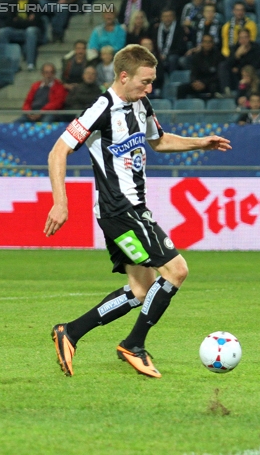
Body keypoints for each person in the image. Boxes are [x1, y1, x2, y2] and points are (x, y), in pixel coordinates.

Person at [45, 44, 231, 379]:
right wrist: (61, 201)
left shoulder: (140, 104)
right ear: (124, 75)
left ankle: (70, 332)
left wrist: (200, 142)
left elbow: (158, 140)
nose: (150, 88)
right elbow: (58, 151)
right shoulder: (100, 109)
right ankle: (134, 344)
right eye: (145, 81)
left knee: (140, 291)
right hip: (121, 209)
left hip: (127, 210)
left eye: (152, 82)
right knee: (176, 271)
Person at [0, 0, 43, 71]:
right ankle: (8, 63)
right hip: (16, 30)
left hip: (32, 30)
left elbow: (36, 22)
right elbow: (9, 21)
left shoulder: (35, 3)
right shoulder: (11, 2)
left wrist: (17, 20)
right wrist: (27, 20)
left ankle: (30, 63)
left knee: (30, 31)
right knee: (2, 32)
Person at [218, 27, 260, 95]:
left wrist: (239, 69)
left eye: (245, 37)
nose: (243, 40)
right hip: (237, 76)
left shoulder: (256, 48)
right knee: (223, 65)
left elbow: (257, 64)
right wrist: (237, 55)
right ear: (238, 39)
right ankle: (226, 90)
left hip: (251, 75)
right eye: (241, 38)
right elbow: (228, 63)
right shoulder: (234, 48)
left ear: (249, 38)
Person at [177, 34, 223, 99]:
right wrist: (194, 82)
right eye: (205, 42)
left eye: (209, 42)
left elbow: (218, 75)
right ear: (201, 43)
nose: (207, 44)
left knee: (214, 87)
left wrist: (204, 83)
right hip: (198, 83)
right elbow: (193, 73)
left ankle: (211, 108)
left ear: (213, 43)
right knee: (181, 88)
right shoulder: (196, 56)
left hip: (210, 83)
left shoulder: (218, 56)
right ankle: (181, 108)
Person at [149, 8, 187, 75]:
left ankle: (171, 79)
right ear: (161, 18)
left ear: (174, 17)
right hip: (158, 54)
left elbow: (181, 48)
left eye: (170, 16)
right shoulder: (156, 29)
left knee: (172, 59)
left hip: (173, 55)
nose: (167, 18)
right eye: (165, 16)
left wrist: (166, 55)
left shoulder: (179, 29)